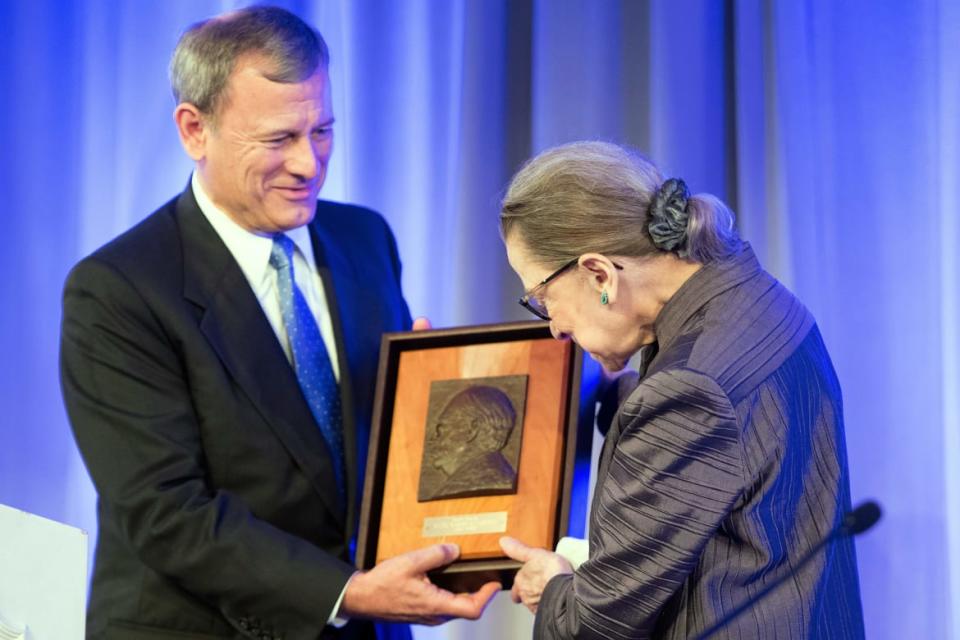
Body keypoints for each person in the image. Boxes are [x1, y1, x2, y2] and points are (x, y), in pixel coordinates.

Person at [59, 7, 497, 639]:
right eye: (278, 139)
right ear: (193, 130)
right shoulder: (119, 290)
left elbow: (356, 452)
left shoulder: (364, 236)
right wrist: (347, 592)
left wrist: (426, 398)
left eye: (322, 130)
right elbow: (165, 513)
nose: (308, 163)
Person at [496, 141, 865, 639]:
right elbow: (732, 444)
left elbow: (597, 623)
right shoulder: (753, 294)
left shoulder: (688, 388)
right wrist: (628, 398)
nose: (554, 329)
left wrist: (555, 588)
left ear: (598, 273)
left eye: (543, 299)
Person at [422, 385, 518, 500]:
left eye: (442, 429)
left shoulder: (464, 488)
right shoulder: (502, 476)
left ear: (472, 430)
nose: (433, 439)